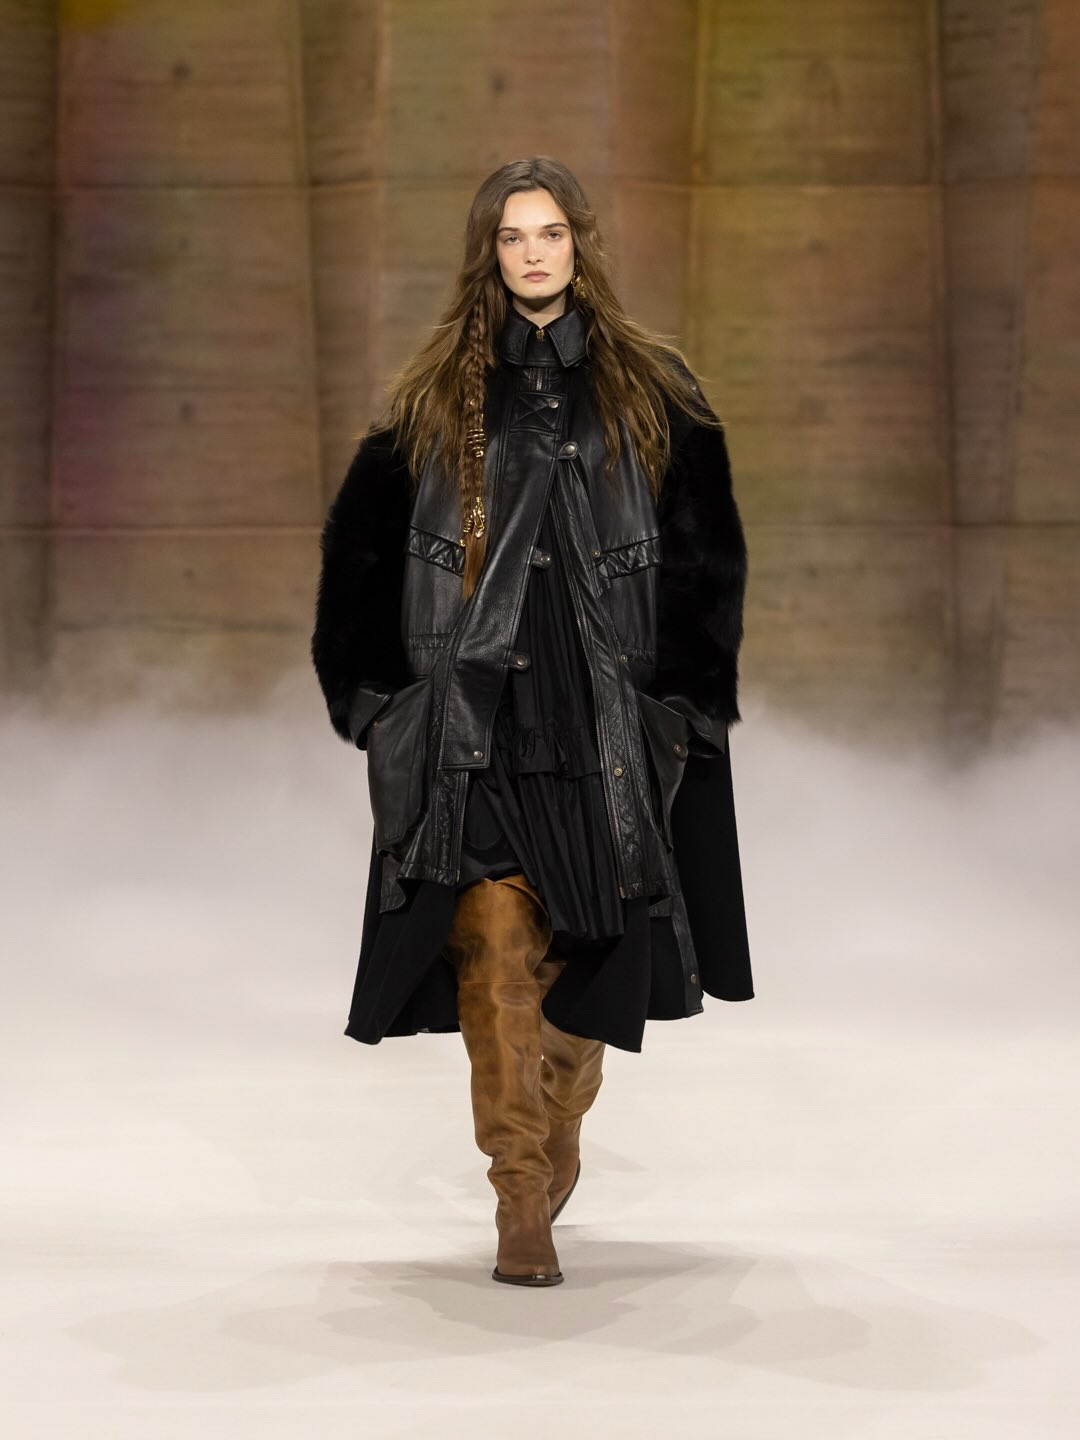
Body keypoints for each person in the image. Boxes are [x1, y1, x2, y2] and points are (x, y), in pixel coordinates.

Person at [311, 156, 752, 1289]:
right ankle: (519, 1197)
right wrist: (379, 708)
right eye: (512, 237)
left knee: (594, 962)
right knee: (495, 950)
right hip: (477, 725)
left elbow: (707, 560)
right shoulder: (428, 398)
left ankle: (557, 1129)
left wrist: (684, 708)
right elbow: (358, 560)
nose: (533, 254)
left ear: (579, 244)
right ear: (490, 255)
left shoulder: (657, 392)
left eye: (549, 232)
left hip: (606, 727)